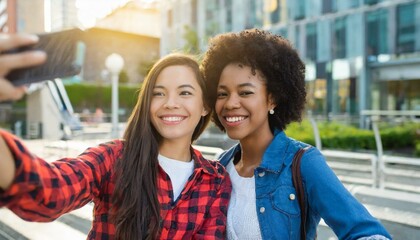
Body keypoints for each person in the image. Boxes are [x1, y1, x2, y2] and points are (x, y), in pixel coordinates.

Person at [0, 33, 231, 239]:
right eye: (158, 93)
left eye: (185, 92)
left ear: (204, 106)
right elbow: (50, 191)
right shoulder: (113, 158)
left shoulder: (215, 179)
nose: (170, 103)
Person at [201, 29, 391, 240]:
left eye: (245, 92)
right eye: (222, 94)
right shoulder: (220, 166)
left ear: (272, 99)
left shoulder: (303, 163)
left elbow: (368, 233)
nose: (231, 103)